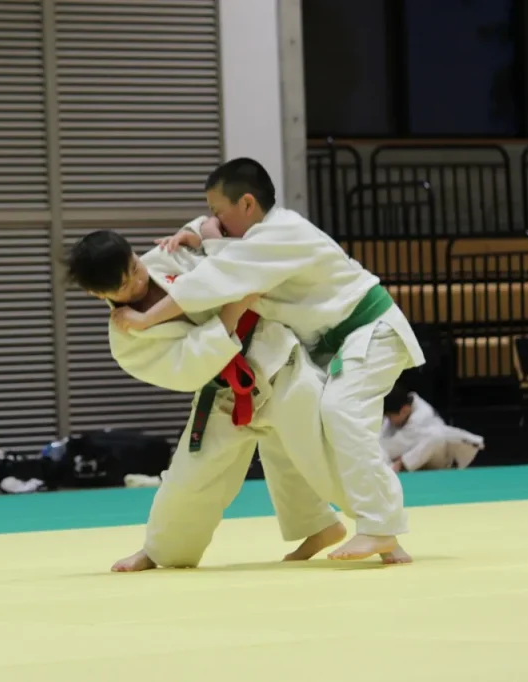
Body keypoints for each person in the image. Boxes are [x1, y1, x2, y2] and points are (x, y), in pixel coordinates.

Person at [111, 158, 424, 561]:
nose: (213, 220)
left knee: (337, 417)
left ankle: (382, 529)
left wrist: (146, 317)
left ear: (246, 204)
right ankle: (317, 526)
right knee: (243, 462)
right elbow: (217, 250)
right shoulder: (222, 243)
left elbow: (218, 275)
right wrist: (199, 233)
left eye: (218, 212)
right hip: (232, 382)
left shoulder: (279, 232)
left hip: (353, 335)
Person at [67, 230, 368, 572]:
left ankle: (378, 526)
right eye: (124, 285)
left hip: (278, 359)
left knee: (323, 447)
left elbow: (228, 248)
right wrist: (233, 310)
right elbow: (188, 369)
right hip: (224, 392)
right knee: (189, 478)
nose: (138, 281)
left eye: (135, 266)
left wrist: (198, 234)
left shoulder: (169, 257)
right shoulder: (126, 340)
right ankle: (162, 551)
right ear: (98, 294)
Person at [380, 385, 482, 472]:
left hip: (438, 461)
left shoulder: (422, 416)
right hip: (411, 456)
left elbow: (396, 445)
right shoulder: (400, 409)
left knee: (436, 436)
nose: (389, 420)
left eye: (390, 417)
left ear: (404, 410)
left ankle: (400, 465)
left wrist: (399, 460)